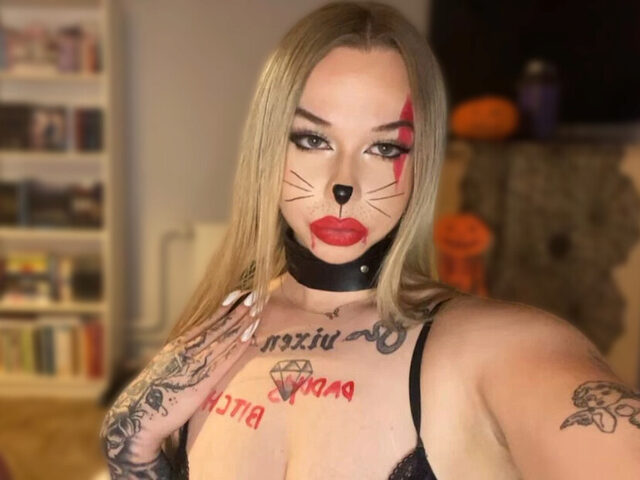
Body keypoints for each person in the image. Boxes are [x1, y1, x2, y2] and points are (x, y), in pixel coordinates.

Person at [100, 2, 640, 478]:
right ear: (268, 147)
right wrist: (133, 453)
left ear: (420, 161)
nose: (345, 184)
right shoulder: (213, 336)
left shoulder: (490, 349)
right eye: (312, 139)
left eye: (384, 149)